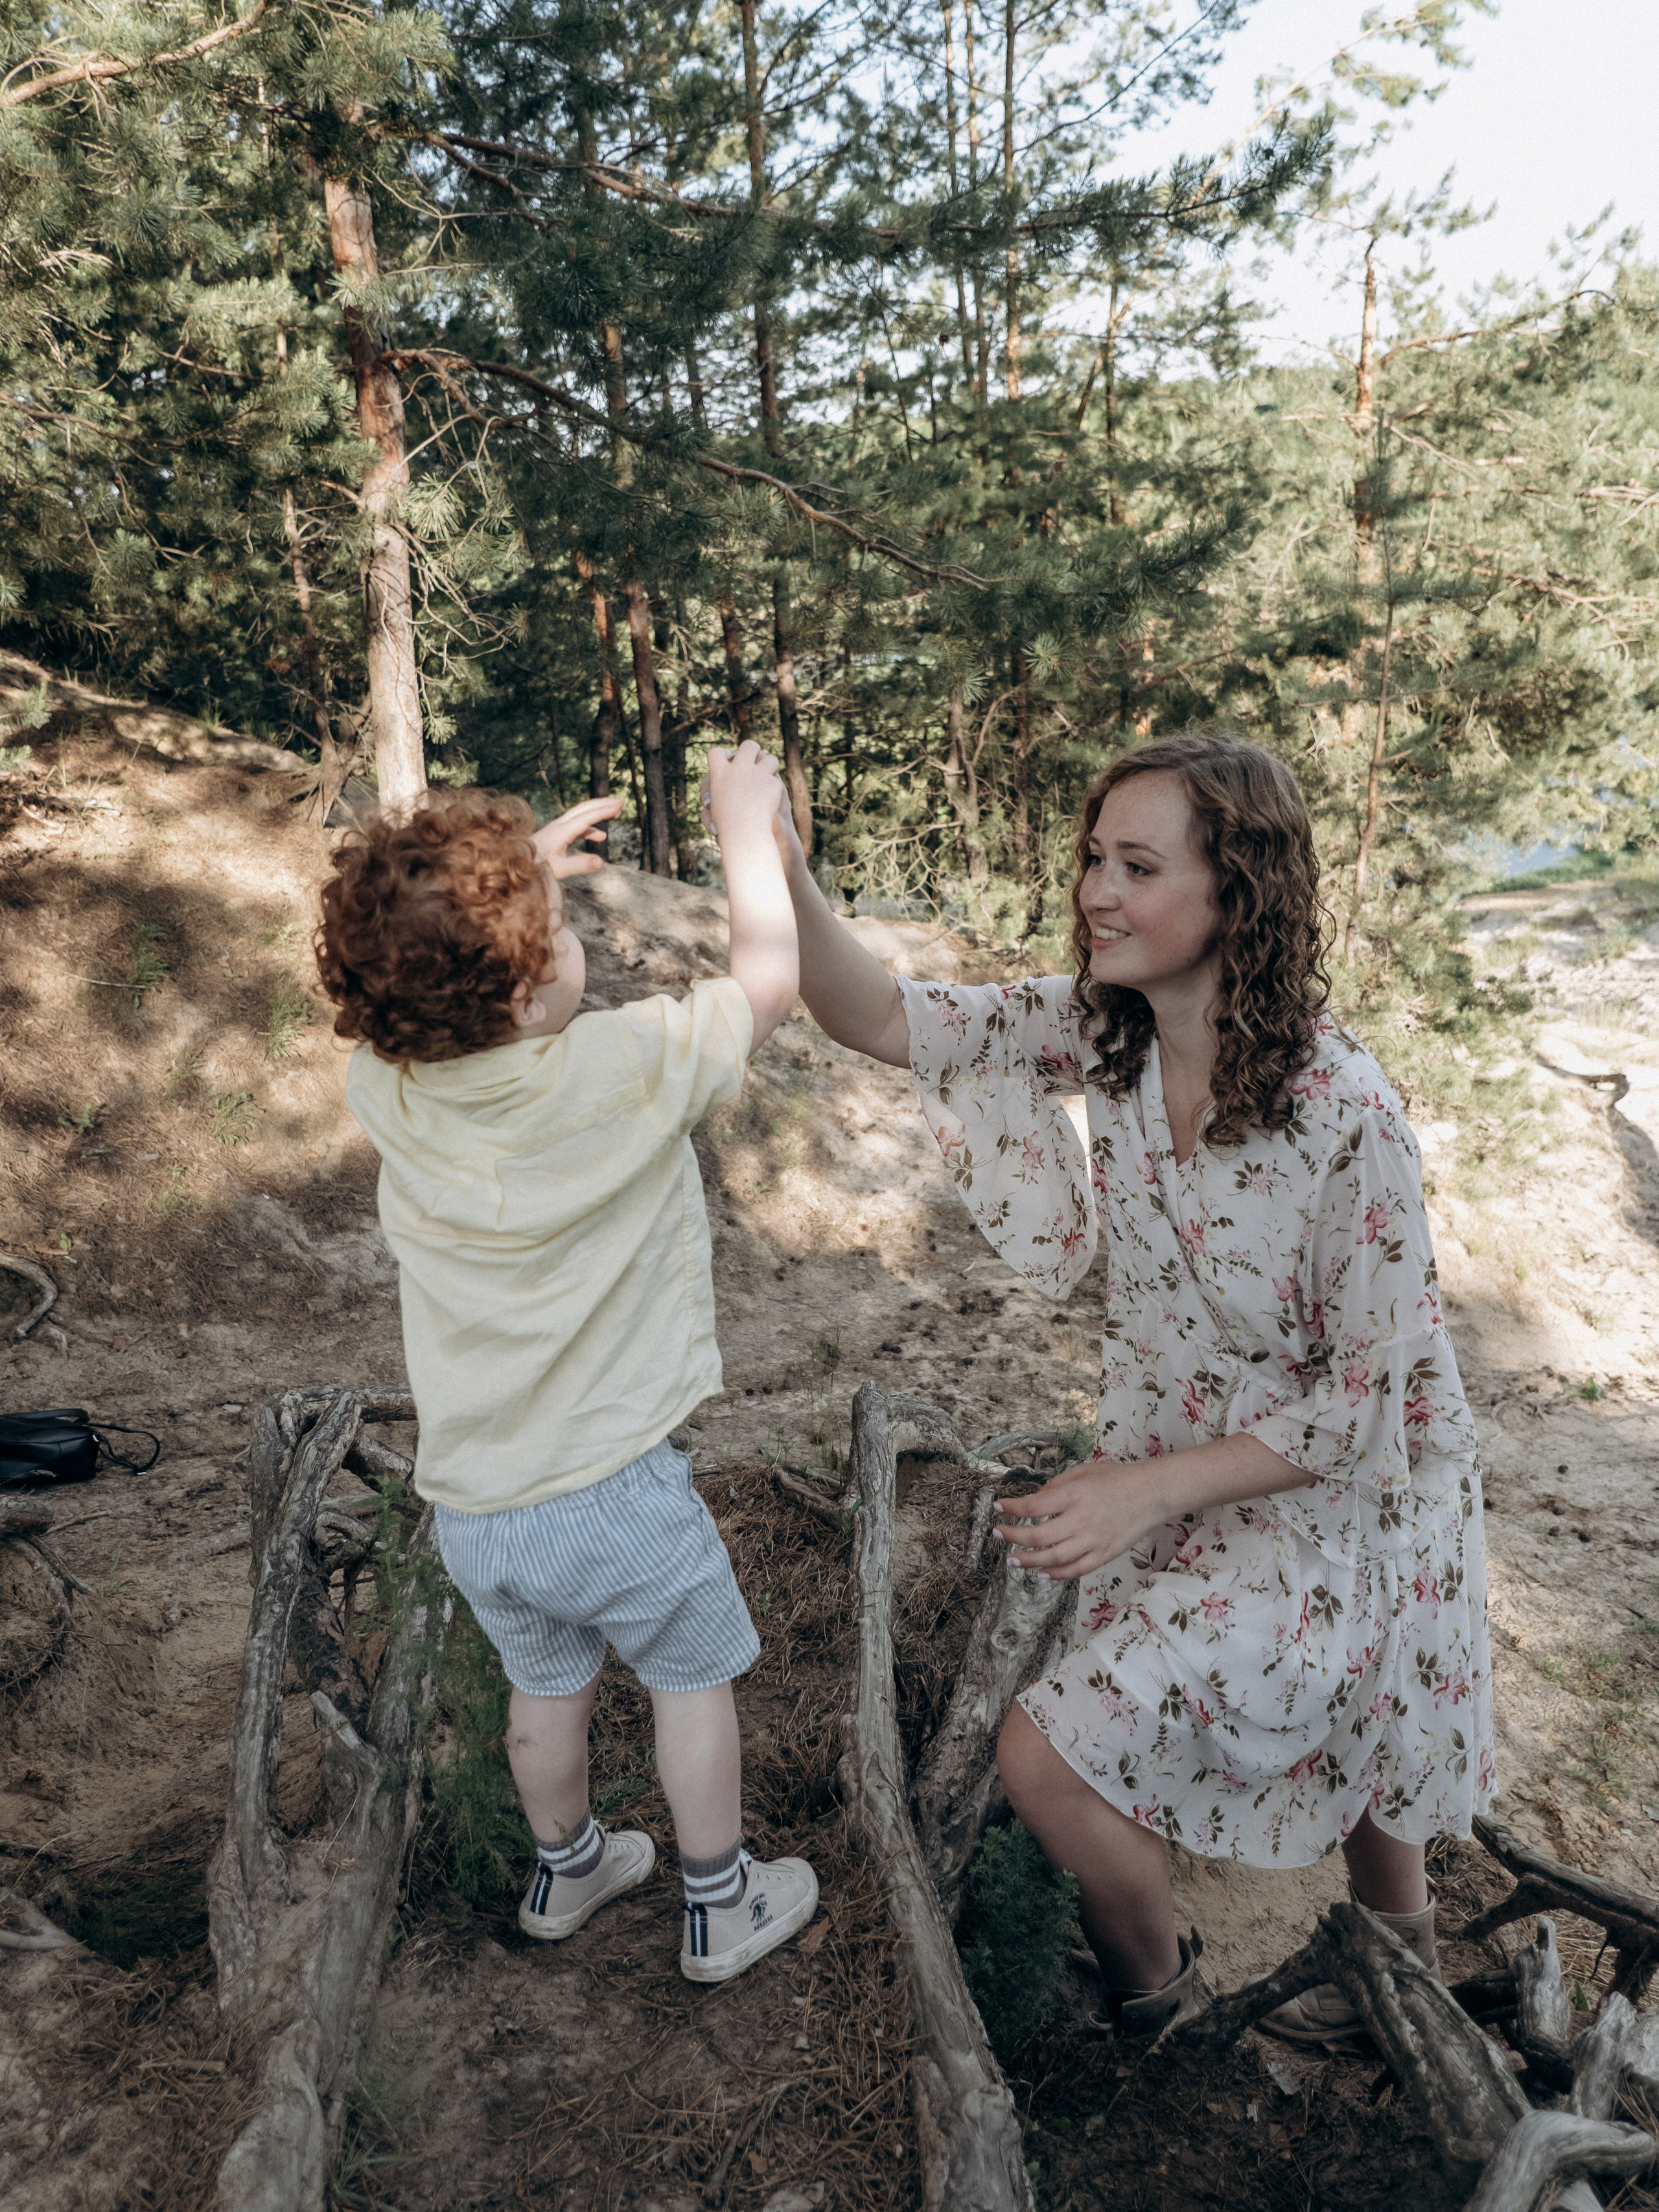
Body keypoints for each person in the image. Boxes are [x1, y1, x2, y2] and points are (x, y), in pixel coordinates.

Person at [776, 728, 1492, 2042]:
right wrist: (774, 857)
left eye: (1137, 865)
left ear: (1238, 895)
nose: (1096, 892)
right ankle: (1168, 2018)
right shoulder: (1100, 1034)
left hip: (1357, 1500)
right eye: (1092, 858)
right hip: (1185, 1467)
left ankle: (1406, 1997)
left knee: (1374, 1746)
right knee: (1071, 1756)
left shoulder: (1348, 1115)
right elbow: (878, 1014)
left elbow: (1358, 1413)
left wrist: (1136, 1493)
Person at [315, 741, 818, 1985]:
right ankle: (720, 1902)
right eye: (551, 928)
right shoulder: (618, 1066)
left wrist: (494, 894)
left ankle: (572, 1863)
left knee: (549, 1694)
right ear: (534, 985)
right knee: (690, 1680)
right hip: (617, 1489)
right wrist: (746, 830)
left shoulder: (394, 1088)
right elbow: (768, 979)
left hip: (482, 1504)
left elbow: (417, 990)